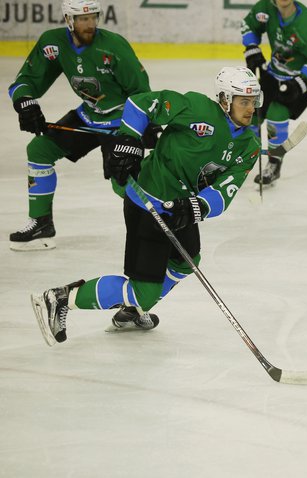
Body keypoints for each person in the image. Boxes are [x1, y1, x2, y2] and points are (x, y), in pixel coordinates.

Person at [30, 66, 262, 344]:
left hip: (180, 208)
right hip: (147, 200)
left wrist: (193, 208)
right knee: (145, 292)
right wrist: (128, 139)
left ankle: (130, 312)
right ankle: (60, 298)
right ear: (225, 99)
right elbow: (140, 105)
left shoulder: (249, 145)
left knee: (187, 261)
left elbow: (225, 191)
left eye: (253, 101)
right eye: (243, 101)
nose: (250, 108)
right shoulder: (196, 107)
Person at [8, 0, 157, 251]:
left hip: (121, 121)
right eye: (82, 19)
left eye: (93, 18)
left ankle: (154, 231)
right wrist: (25, 103)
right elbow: (26, 80)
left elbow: (141, 91)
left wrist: (144, 125)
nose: (89, 24)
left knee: (123, 180)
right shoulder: (52, 43)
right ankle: (42, 223)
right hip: (88, 116)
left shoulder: (113, 46)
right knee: (39, 151)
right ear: (68, 20)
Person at [241, 0, 307, 185]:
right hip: (274, 72)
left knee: (277, 112)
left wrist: (300, 83)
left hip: (303, 79)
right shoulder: (266, 9)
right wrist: (251, 48)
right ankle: (246, 155)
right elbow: (249, 24)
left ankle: (274, 162)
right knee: (251, 112)